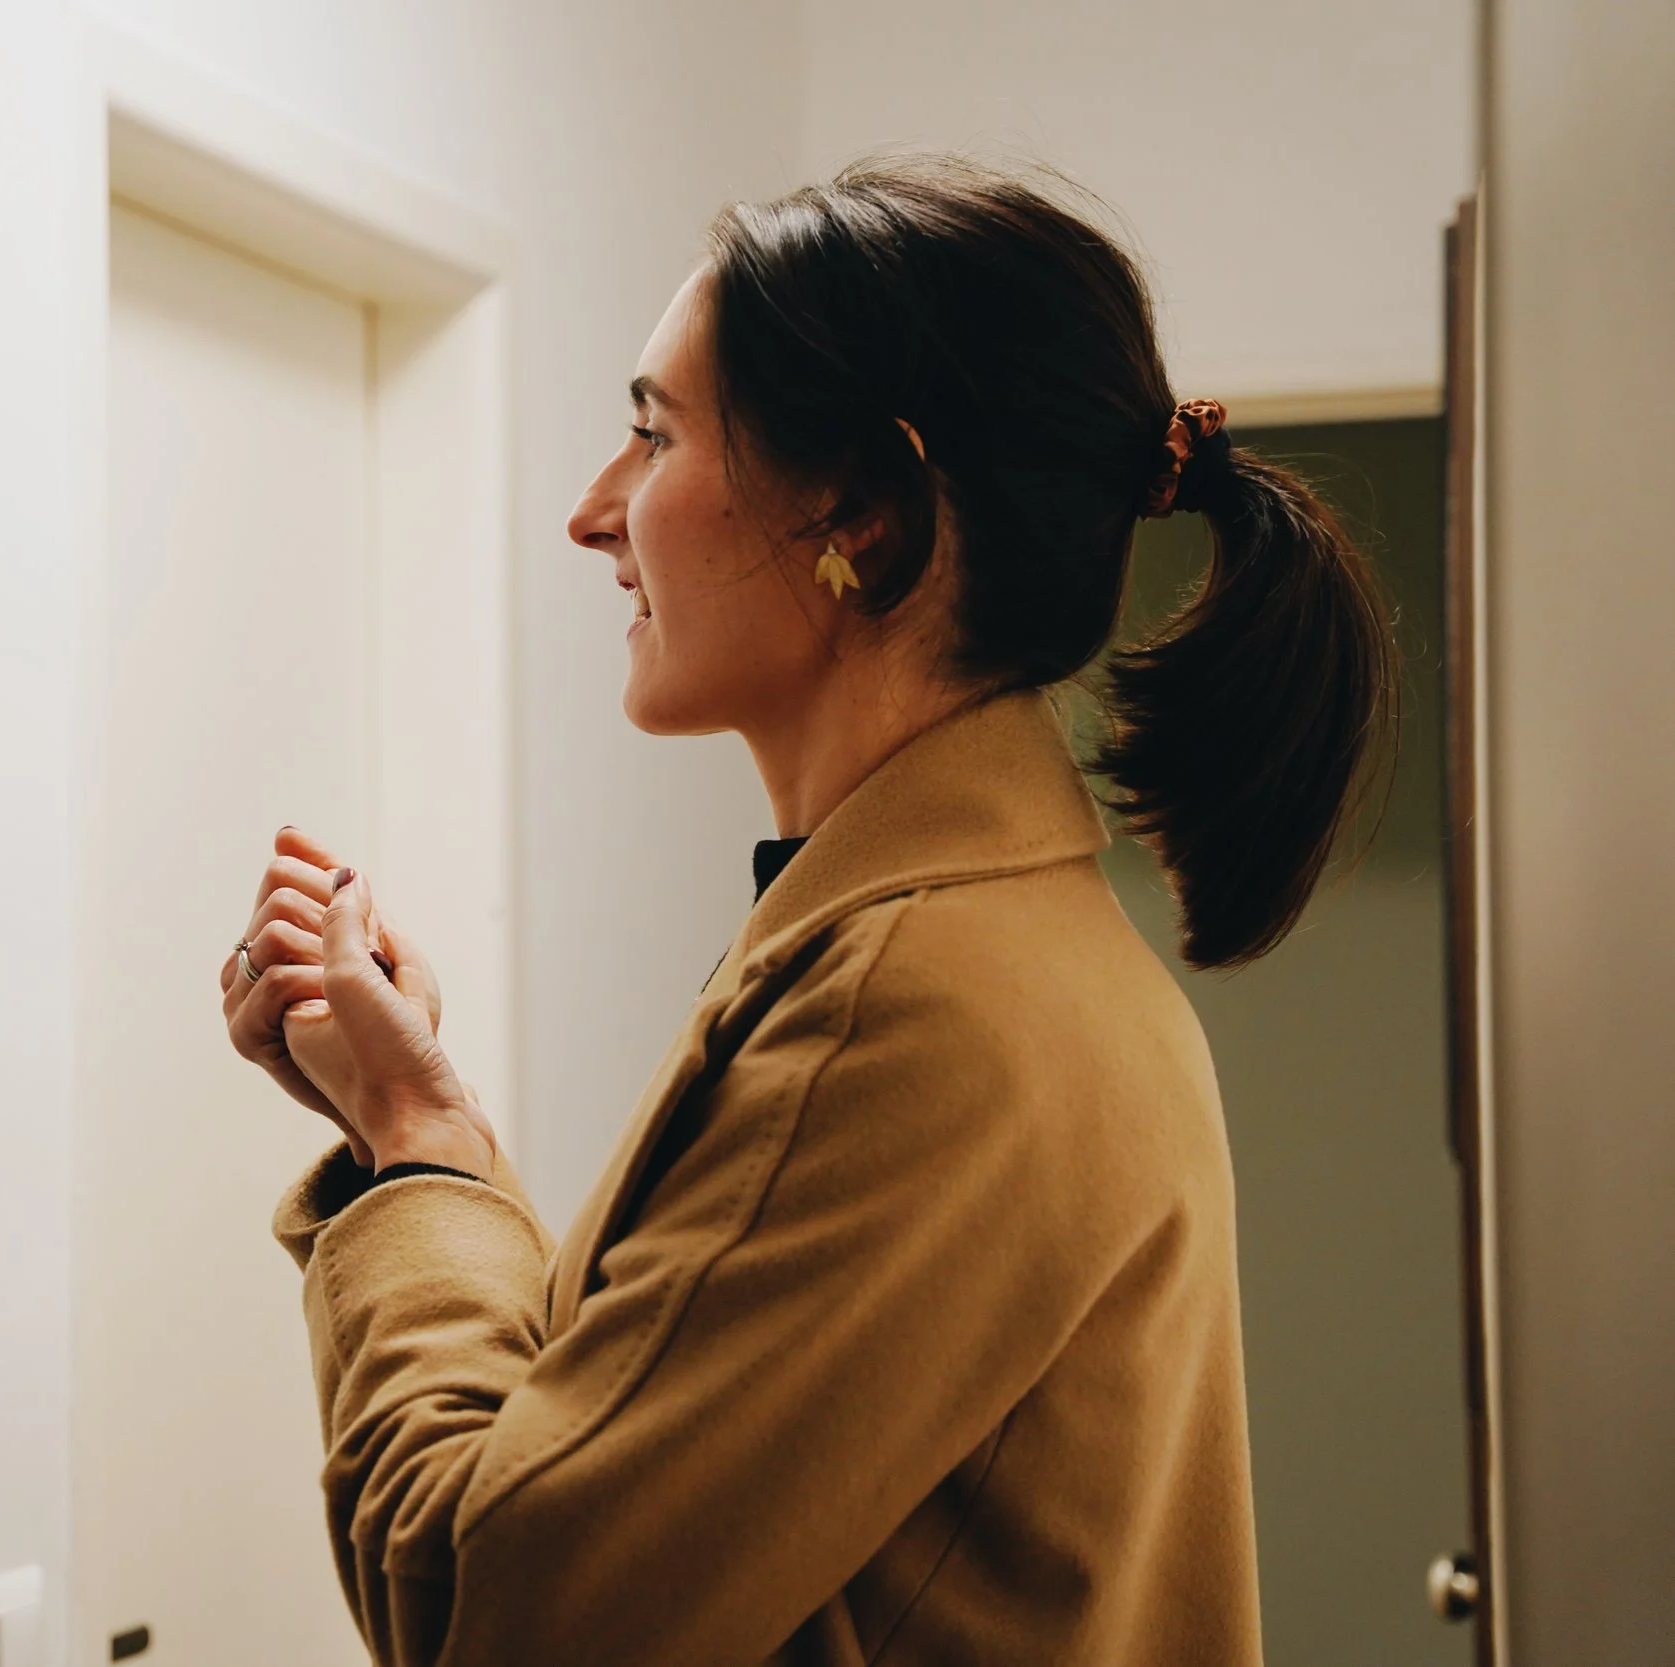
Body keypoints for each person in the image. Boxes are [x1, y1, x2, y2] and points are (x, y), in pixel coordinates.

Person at [218, 158, 1394, 1665]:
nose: (591, 513)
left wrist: (411, 1138)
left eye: (653, 433)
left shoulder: (912, 1011)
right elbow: (612, 1466)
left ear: (865, 519)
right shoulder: (969, 946)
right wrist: (426, 1114)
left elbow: (494, 1615)